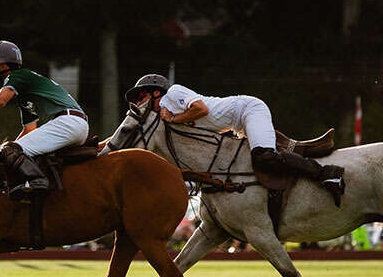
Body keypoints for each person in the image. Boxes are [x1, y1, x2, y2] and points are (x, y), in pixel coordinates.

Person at [121, 74, 345, 206]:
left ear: (157, 93)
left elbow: (201, 108)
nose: (141, 102)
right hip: (237, 125)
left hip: (248, 109)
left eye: (142, 96)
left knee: (264, 158)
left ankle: (327, 175)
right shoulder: (166, 120)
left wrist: (175, 118)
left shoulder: (173, 94)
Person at [0, 40, 89, 201]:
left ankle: (37, 182)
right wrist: (4, 156)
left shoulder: (18, 76)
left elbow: (0, 100)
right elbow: (29, 130)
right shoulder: (25, 94)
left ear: (3, 67)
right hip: (75, 124)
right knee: (11, 150)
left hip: (66, 123)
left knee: (10, 149)